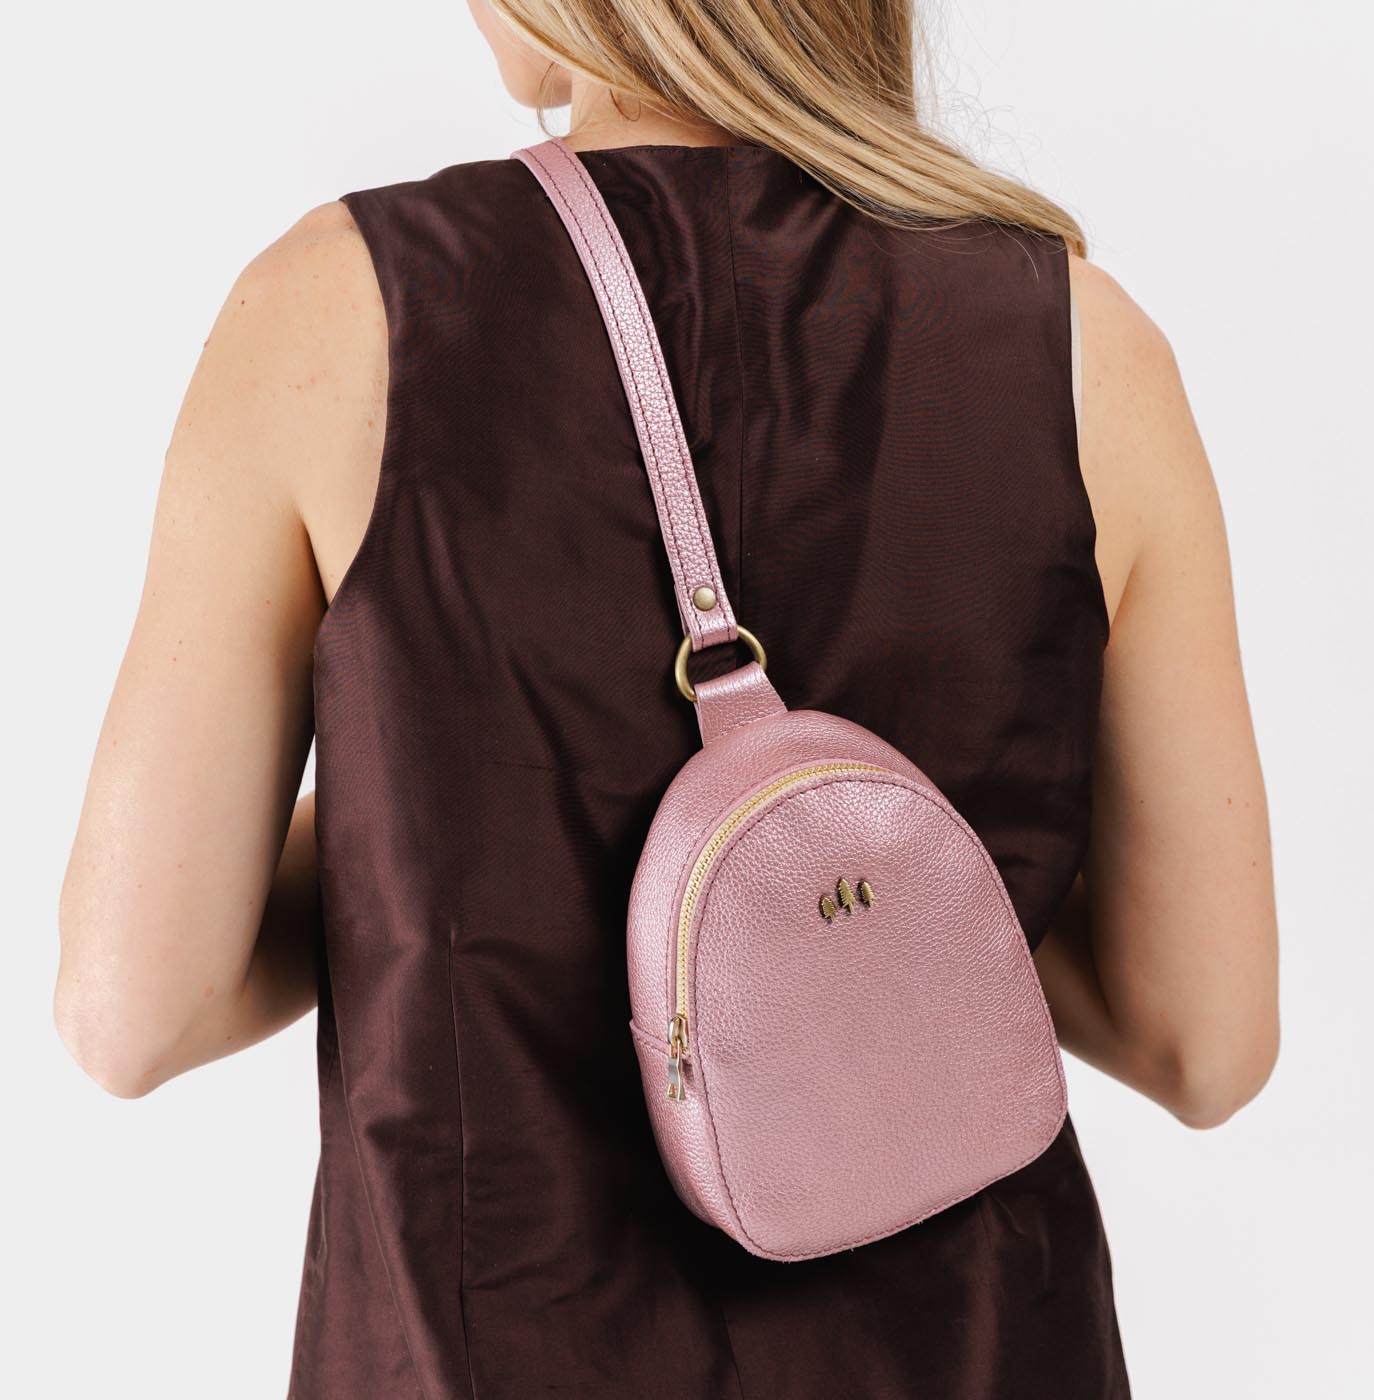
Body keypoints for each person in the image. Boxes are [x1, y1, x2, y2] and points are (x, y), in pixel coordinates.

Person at [54, 0, 1279, 1394]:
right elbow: (1204, 1043)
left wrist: (442, 815)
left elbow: (133, 1009)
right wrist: (896, 871)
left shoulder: (336, 312)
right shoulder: (1087, 349)